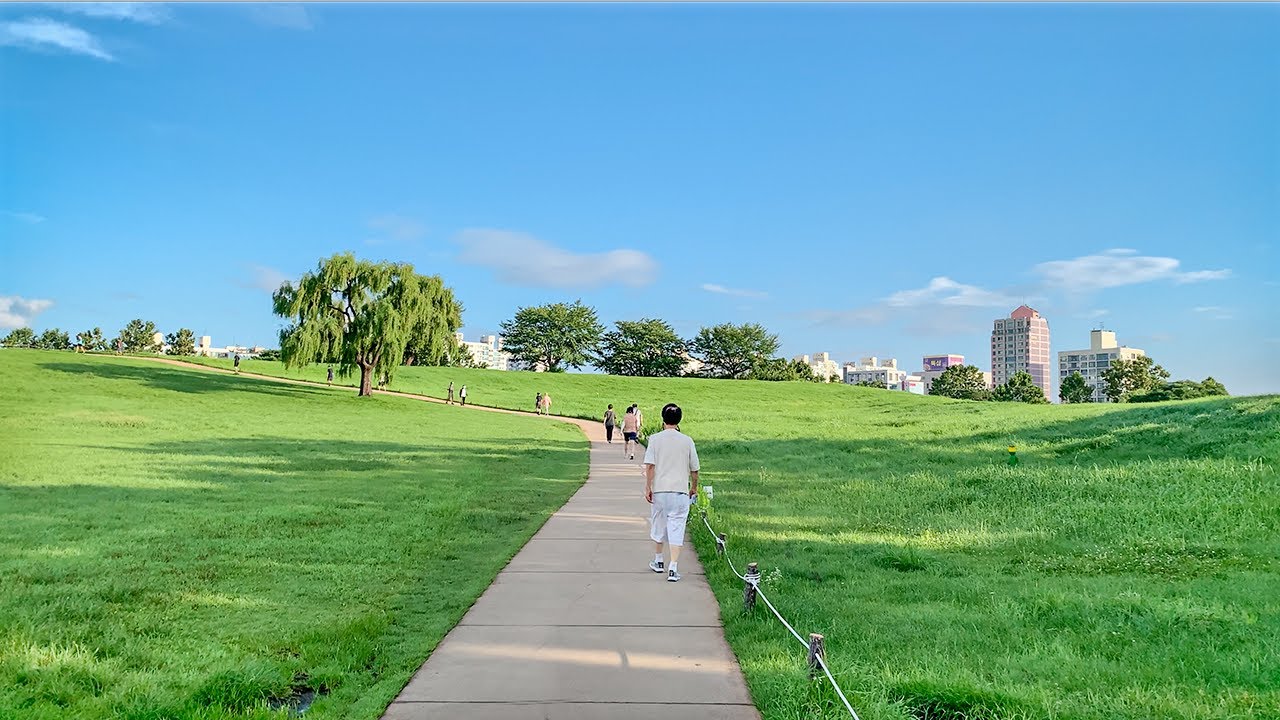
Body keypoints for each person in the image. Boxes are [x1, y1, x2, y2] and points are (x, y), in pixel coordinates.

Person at [643, 403, 700, 583]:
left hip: (660, 490)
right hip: (680, 491)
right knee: (677, 527)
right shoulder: (687, 440)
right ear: (679, 420)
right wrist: (694, 487)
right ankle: (673, 567)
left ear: (663, 419)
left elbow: (650, 466)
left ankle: (659, 560)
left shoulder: (655, 439)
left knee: (658, 524)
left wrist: (648, 487)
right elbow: (695, 469)